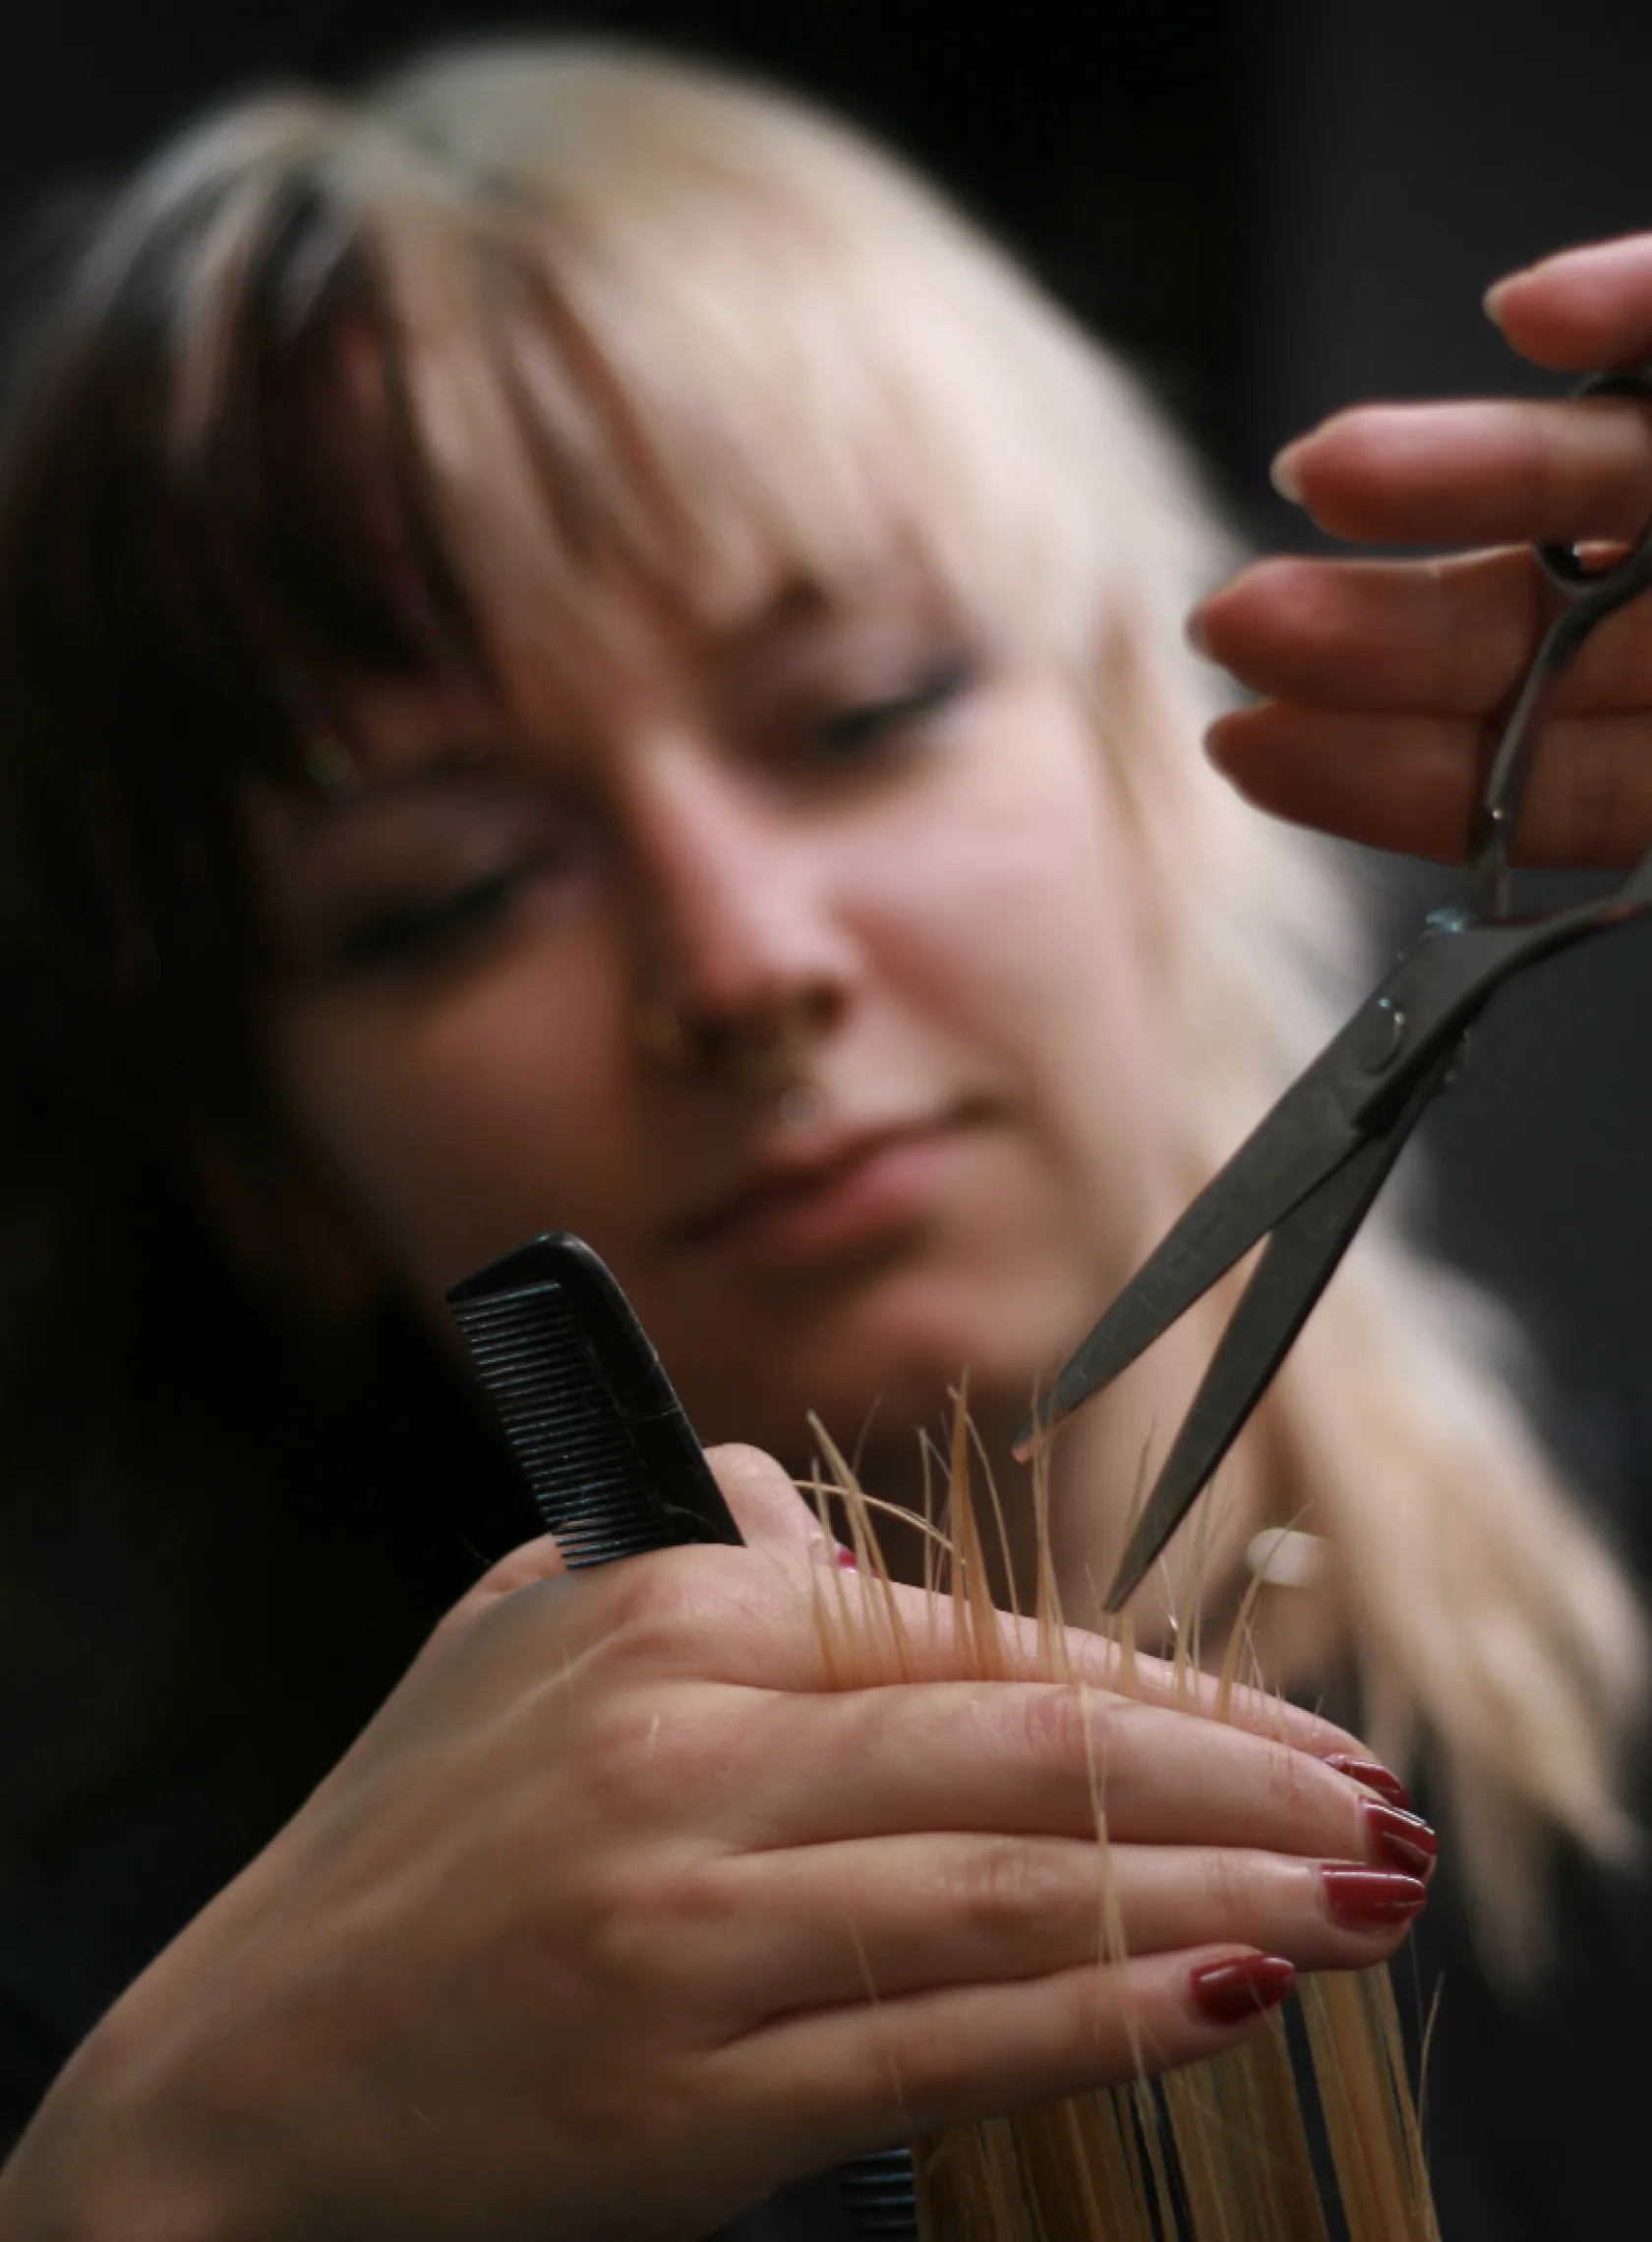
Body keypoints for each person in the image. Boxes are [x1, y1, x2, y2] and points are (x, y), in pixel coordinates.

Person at [0, 38, 1638, 2239]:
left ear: (1154, 771)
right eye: (456, 892)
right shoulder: (108, 2069)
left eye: (861, 713)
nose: (742, 958)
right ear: (270, 1173)